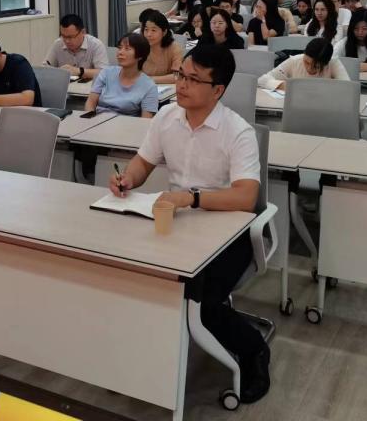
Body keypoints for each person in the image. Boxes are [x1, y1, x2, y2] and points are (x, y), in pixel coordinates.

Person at [108, 45, 269, 402]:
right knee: (128, 276)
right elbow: (142, 163)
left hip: (228, 234)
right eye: (181, 74)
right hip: (176, 224)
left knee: (202, 303)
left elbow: (246, 197)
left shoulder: (237, 131)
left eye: (193, 79)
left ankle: (254, 349)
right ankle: (143, 356)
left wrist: (192, 198)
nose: (181, 84)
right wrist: (128, 179)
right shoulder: (167, 117)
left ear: (217, 90)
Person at [84, 33, 158, 118]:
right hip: (98, 120)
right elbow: (91, 102)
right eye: (120, 48)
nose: (120, 52)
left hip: (126, 125)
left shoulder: (149, 86)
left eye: (127, 49)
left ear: (140, 56)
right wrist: (89, 120)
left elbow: (145, 121)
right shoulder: (106, 73)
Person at [257, 37, 349, 90]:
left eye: (316, 67)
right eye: (306, 62)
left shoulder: (333, 63)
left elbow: (348, 88)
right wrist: (285, 86)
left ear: (326, 63)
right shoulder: (295, 60)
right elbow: (262, 80)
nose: (309, 69)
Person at [45, 14, 108, 81]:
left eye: (70, 37)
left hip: (89, 86)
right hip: (65, 86)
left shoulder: (96, 45)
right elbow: (45, 68)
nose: (67, 41)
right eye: (63, 36)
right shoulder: (58, 44)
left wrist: (79, 71)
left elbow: (104, 73)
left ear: (83, 32)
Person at [141, 12, 184, 84]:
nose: (149, 34)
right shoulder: (139, 47)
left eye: (153, 30)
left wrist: (150, 79)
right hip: (144, 87)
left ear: (164, 32)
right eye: (146, 29)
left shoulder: (174, 48)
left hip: (168, 88)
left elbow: (177, 76)